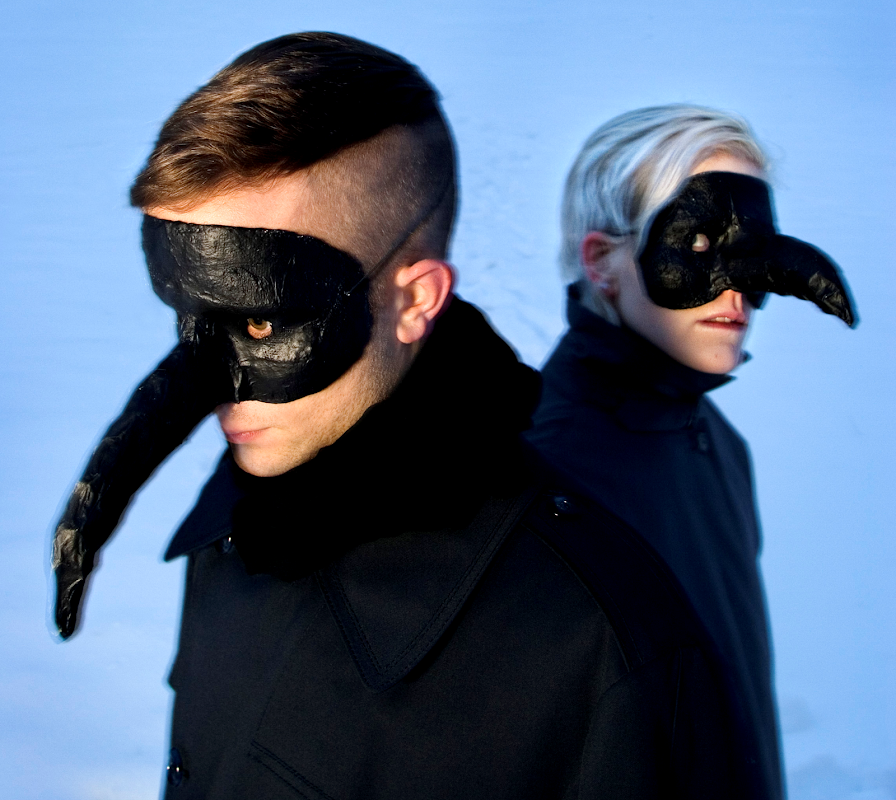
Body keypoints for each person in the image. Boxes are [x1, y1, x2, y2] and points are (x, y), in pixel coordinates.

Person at [54, 41, 763, 798]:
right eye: (191, 312)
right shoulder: (234, 529)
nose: (210, 384)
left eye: (262, 322)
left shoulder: (597, 641)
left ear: (417, 299)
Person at [527, 105, 856, 800]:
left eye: (754, 246)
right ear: (601, 260)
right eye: (701, 243)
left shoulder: (717, 440)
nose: (737, 285)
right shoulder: (547, 479)